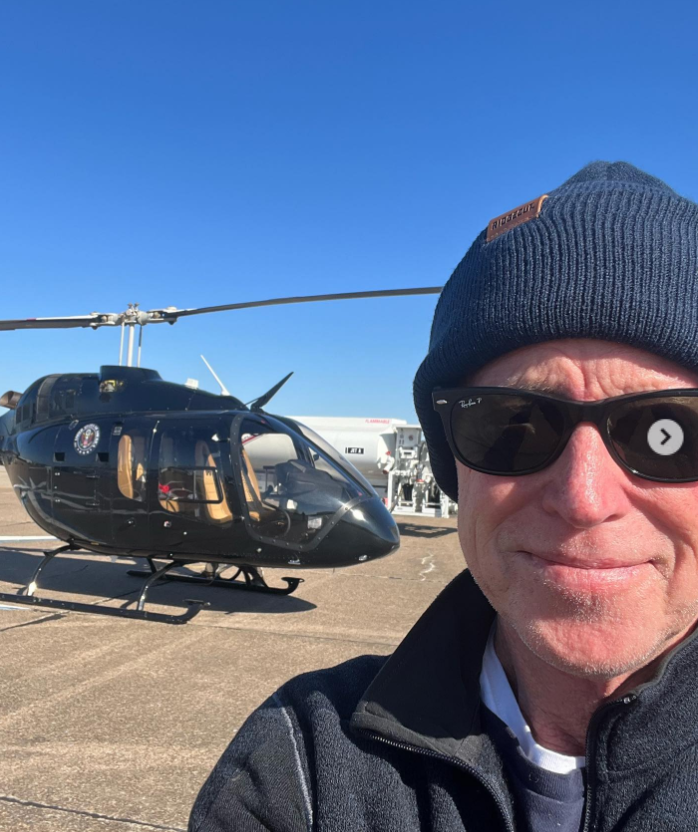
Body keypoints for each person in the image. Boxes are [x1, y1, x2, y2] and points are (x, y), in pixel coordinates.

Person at [189, 161, 698, 831]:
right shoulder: (303, 767)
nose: (584, 498)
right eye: (510, 426)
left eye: (668, 434)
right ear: (452, 462)